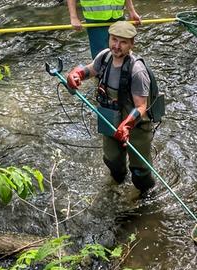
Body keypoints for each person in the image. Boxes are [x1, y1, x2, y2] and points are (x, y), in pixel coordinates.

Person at [66, 21, 155, 194]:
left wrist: (127, 125)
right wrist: (75, 74)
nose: (116, 45)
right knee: (112, 161)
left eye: (123, 42)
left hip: (135, 125)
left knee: (140, 171)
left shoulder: (137, 71)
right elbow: (89, 70)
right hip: (110, 117)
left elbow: (142, 106)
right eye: (114, 39)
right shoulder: (105, 57)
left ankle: (145, 195)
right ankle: (117, 185)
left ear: (131, 44)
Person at [67, 0, 142, 59]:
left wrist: (131, 11)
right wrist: (73, 17)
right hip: (96, 20)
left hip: (117, 16)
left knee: (124, 53)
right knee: (101, 57)